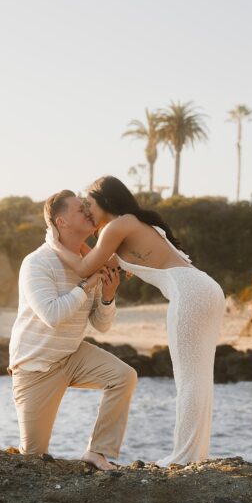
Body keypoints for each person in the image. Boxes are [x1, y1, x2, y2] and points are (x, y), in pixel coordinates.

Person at [51, 176, 226, 467]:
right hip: (204, 288)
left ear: (105, 200)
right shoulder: (129, 224)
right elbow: (100, 261)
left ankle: (184, 457)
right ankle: (196, 454)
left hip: (190, 293)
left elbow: (85, 266)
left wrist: (53, 242)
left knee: (189, 379)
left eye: (89, 204)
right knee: (198, 377)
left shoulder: (118, 225)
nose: (87, 211)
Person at [9, 190, 137, 471]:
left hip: (71, 356)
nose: (90, 212)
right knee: (32, 461)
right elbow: (52, 315)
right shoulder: (37, 263)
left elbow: (101, 325)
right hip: (35, 367)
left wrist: (108, 296)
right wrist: (87, 285)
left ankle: (97, 452)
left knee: (123, 376)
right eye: (81, 209)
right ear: (61, 221)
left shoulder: (91, 261)